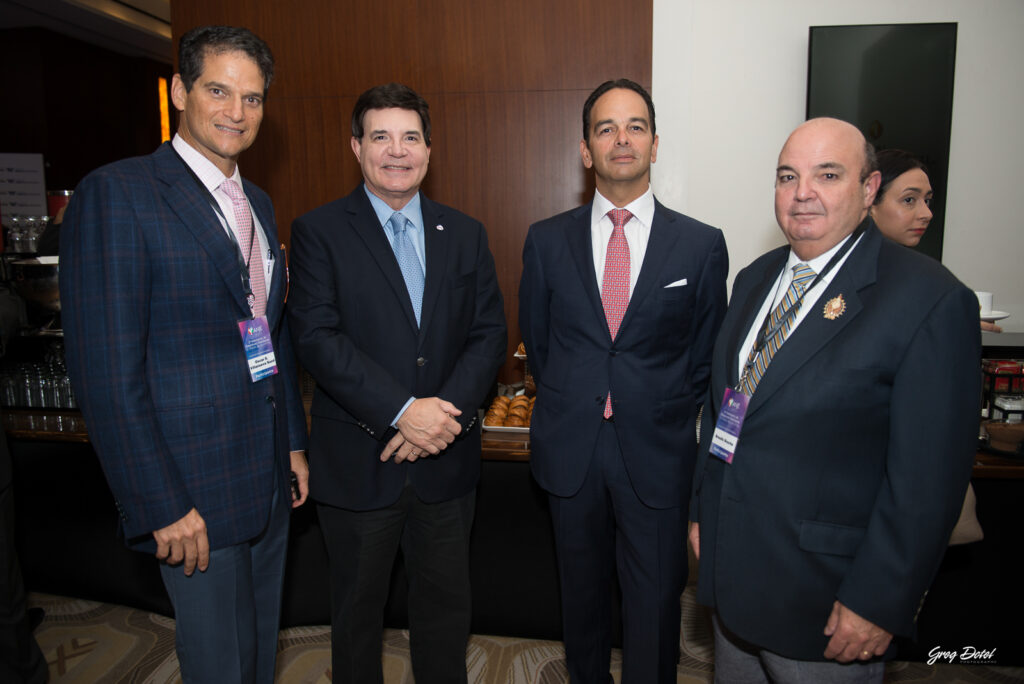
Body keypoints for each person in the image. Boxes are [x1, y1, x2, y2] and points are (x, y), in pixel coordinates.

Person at [689, 118, 980, 683]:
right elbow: (727, 403)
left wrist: (879, 599)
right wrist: (705, 509)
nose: (803, 193)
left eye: (827, 174)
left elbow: (928, 478)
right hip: (734, 579)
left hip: (827, 603)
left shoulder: (929, 298)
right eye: (787, 176)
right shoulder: (754, 279)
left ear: (869, 189)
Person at [59, 25, 308, 684]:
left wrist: (291, 442)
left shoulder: (256, 201)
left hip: (263, 474)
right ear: (179, 91)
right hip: (188, 488)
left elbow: (263, 329)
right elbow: (106, 372)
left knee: (257, 652)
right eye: (218, 91)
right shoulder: (119, 193)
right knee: (217, 666)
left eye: (252, 99)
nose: (236, 112)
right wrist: (157, 500)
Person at [287, 82, 506, 684]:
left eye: (411, 137)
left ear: (429, 151)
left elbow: (489, 334)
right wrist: (402, 410)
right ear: (355, 148)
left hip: (446, 463)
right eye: (380, 136)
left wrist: (442, 418)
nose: (397, 150)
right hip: (360, 463)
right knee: (356, 617)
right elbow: (317, 338)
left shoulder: (464, 233)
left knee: (444, 613)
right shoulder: (319, 232)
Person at [519, 79, 728, 683]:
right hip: (572, 449)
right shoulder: (546, 239)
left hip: (657, 453)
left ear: (655, 144)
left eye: (635, 126)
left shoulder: (700, 245)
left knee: (655, 606)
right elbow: (539, 339)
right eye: (605, 128)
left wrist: (654, 406)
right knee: (579, 602)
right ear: (586, 150)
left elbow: (706, 357)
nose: (621, 139)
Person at [871, 149, 1001, 333]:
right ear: (869, 202)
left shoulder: (915, 274)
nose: (927, 214)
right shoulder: (837, 266)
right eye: (909, 200)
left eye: (927, 200)